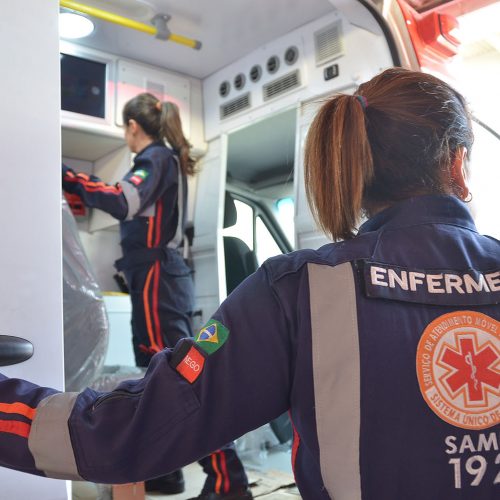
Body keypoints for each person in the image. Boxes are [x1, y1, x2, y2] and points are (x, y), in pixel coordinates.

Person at [0, 68, 499, 500]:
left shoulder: (295, 289)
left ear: (356, 167)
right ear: (457, 164)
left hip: (155, 274)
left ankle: (224, 483)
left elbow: (137, 426)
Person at [60, 93, 251, 499]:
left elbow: (122, 200)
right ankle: (168, 471)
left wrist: (68, 177)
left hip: (157, 278)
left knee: (180, 377)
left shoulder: (155, 159)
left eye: (125, 130)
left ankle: (227, 481)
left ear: (133, 127)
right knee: (159, 376)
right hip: (156, 277)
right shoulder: (163, 161)